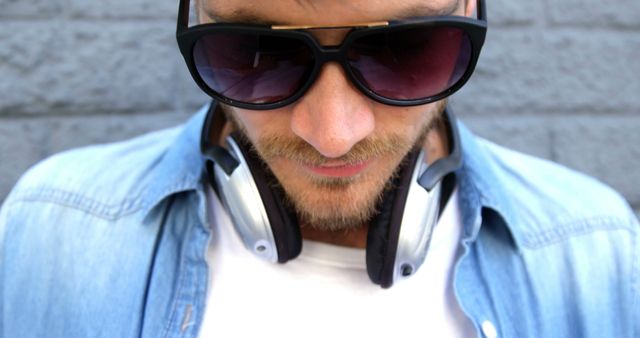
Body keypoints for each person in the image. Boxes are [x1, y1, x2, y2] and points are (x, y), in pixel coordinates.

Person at [1, 0, 638, 337]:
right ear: (197, 21)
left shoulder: (596, 256)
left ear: (468, 13)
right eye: (254, 53)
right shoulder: (48, 237)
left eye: (404, 51)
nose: (332, 134)